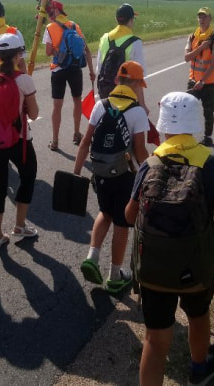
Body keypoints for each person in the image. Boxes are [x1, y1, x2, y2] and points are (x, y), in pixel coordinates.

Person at [125, 92, 214, 386]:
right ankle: (198, 369)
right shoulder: (213, 166)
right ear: (196, 124)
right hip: (195, 267)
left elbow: (130, 217)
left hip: (154, 269)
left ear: (163, 125)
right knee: (198, 316)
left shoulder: (149, 165)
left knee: (155, 339)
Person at [73, 61, 149, 294]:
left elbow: (86, 141)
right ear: (136, 84)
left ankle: (92, 257)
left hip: (101, 173)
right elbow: (139, 150)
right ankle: (115, 276)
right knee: (122, 224)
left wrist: (76, 172)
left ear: (117, 81)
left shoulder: (100, 105)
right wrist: (150, 171)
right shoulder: (137, 112)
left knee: (105, 213)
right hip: (125, 176)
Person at [0, 33, 40, 251]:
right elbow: (33, 114)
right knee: (28, 176)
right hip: (19, 140)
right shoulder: (23, 79)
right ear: (18, 54)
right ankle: (20, 226)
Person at [42, 0, 95, 151]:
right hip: (75, 68)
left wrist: (58, 51)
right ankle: (77, 133)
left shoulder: (50, 27)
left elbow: (47, 52)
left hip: (58, 69)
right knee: (77, 100)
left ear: (56, 11)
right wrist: (91, 71)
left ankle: (55, 140)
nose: (50, 15)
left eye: (51, 12)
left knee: (57, 105)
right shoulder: (75, 26)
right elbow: (86, 50)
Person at [95, 3, 148, 114]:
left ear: (116, 19)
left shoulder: (104, 38)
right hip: (126, 94)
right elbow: (138, 77)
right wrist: (142, 104)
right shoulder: (135, 42)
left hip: (106, 91)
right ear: (131, 20)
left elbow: (99, 69)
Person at [183, 7, 214, 147]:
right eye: (200, 16)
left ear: (210, 18)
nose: (201, 19)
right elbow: (187, 58)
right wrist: (201, 47)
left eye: (204, 16)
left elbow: (213, 65)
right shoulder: (192, 37)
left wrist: (203, 80)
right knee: (187, 108)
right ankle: (186, 137)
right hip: (193, 80)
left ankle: (208, 138)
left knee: (208, 111)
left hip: (210, 82)